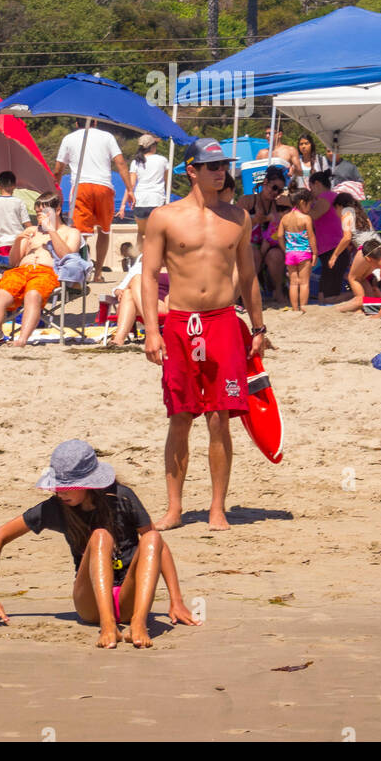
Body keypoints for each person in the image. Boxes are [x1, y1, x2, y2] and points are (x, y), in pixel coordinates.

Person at [141, 138, 267, 532]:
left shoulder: (238, 218)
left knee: (220, 418)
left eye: (223, 165)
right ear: (191, 170)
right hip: (180, 323)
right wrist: (150, 331)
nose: (220, 171)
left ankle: (217, 508)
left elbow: (248, 276)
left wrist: (260, 328)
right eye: (211, 165)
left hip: (223, 322)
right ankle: (174, 507)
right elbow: (148, 275)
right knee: (180, 416)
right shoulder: (164, 216)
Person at [0, 439, 197, 650]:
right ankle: (108, 625)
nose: (61, 492)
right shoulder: (55, 508)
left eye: (68, 487)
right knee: (100, 536)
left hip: (129, 598)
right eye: (57, 486)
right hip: (90, 602)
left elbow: (159, 548)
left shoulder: (122, 497)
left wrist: (175, 600)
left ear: (89, 483)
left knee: (152, 537)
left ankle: (138, 623)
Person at [0, 195, 81, 347]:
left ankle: (21, 340)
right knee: (0, 294)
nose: (39, 215)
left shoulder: (71, 233)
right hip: (21, 270)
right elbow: (13, 262)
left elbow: (67, 257)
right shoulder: (31, 230)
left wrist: (51, 231)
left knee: (33, 295)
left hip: (47, 272)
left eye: (44, 211)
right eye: (37, 211)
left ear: (57, 210)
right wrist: (19, 240)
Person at [54, 121, 135, 283]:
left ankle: (79, 275)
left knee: (80, 233)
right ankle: (98, 274)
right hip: (104, 187)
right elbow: (120, 163)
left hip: (81, 187)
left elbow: (58, 170)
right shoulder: (107, 137)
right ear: (96, 122)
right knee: (104, 231)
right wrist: (130, 189)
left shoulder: (69, 138)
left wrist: (55, 190)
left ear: (76, 123)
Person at [108, 255, 170, 348]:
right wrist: (121, 291)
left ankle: (119, 339)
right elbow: (119, 289)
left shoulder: (178, 268)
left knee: (133, 284)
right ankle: (119, 339)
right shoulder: (141, 266)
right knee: (129, 291)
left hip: (162, 305)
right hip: (137, 304)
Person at [332, 237, 381, 317]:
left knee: (354, 282)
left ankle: (334, 311)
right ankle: (363, 307)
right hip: (377, 244)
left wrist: (380, 315)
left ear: (367, 259)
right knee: (362, 282)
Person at [121, 135, 169, 251]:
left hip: (140, 201)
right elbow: (167, 181)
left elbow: (130, 186)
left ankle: (139, 260)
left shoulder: (136, 162)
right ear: (152, 146)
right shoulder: (162, 160)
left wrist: (123, 205)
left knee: (141, 232)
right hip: (157, 200)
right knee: (157, 234)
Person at [276, 189, 317, 312]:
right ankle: (303, 307)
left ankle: (294, 309)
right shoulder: (306, 218)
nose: (310, 208)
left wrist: (285, 249)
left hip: (290, 253)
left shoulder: (285, 218)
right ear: (302, 202)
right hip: (304, 253)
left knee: (293, 283)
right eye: (309, 204)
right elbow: (311, 237)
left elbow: (279, 236)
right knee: (304, 283)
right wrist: (314, 253)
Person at [0, 172, 33, 269]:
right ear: (15, 186)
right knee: (19, 269)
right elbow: (27, 224)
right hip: (20, 242)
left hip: (3, 243)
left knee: (6, 270)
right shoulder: (19, 202)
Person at [308, 171, 345, 299]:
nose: (310, 190)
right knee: (327, 291)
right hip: (331, 249)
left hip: (333, 249)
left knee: (328, 294)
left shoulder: (327, 197)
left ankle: (358, 298)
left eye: (310, 186)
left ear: (317, 184)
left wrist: (294, 203)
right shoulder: (330, 197)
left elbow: (314, 215)